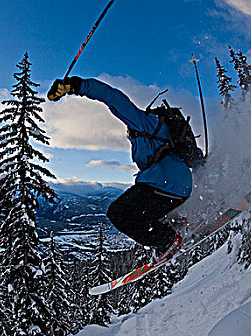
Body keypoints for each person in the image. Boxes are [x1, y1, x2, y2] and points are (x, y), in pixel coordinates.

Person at [48, 77, 200, 262]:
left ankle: (167, 240)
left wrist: (76, 86)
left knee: (118, 213)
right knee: (145, 211)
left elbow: (113, 98)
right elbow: (196, 158)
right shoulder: (169, 135)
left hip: (164, 185)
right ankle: (176, 226)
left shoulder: (143, 123)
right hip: (180, 189)